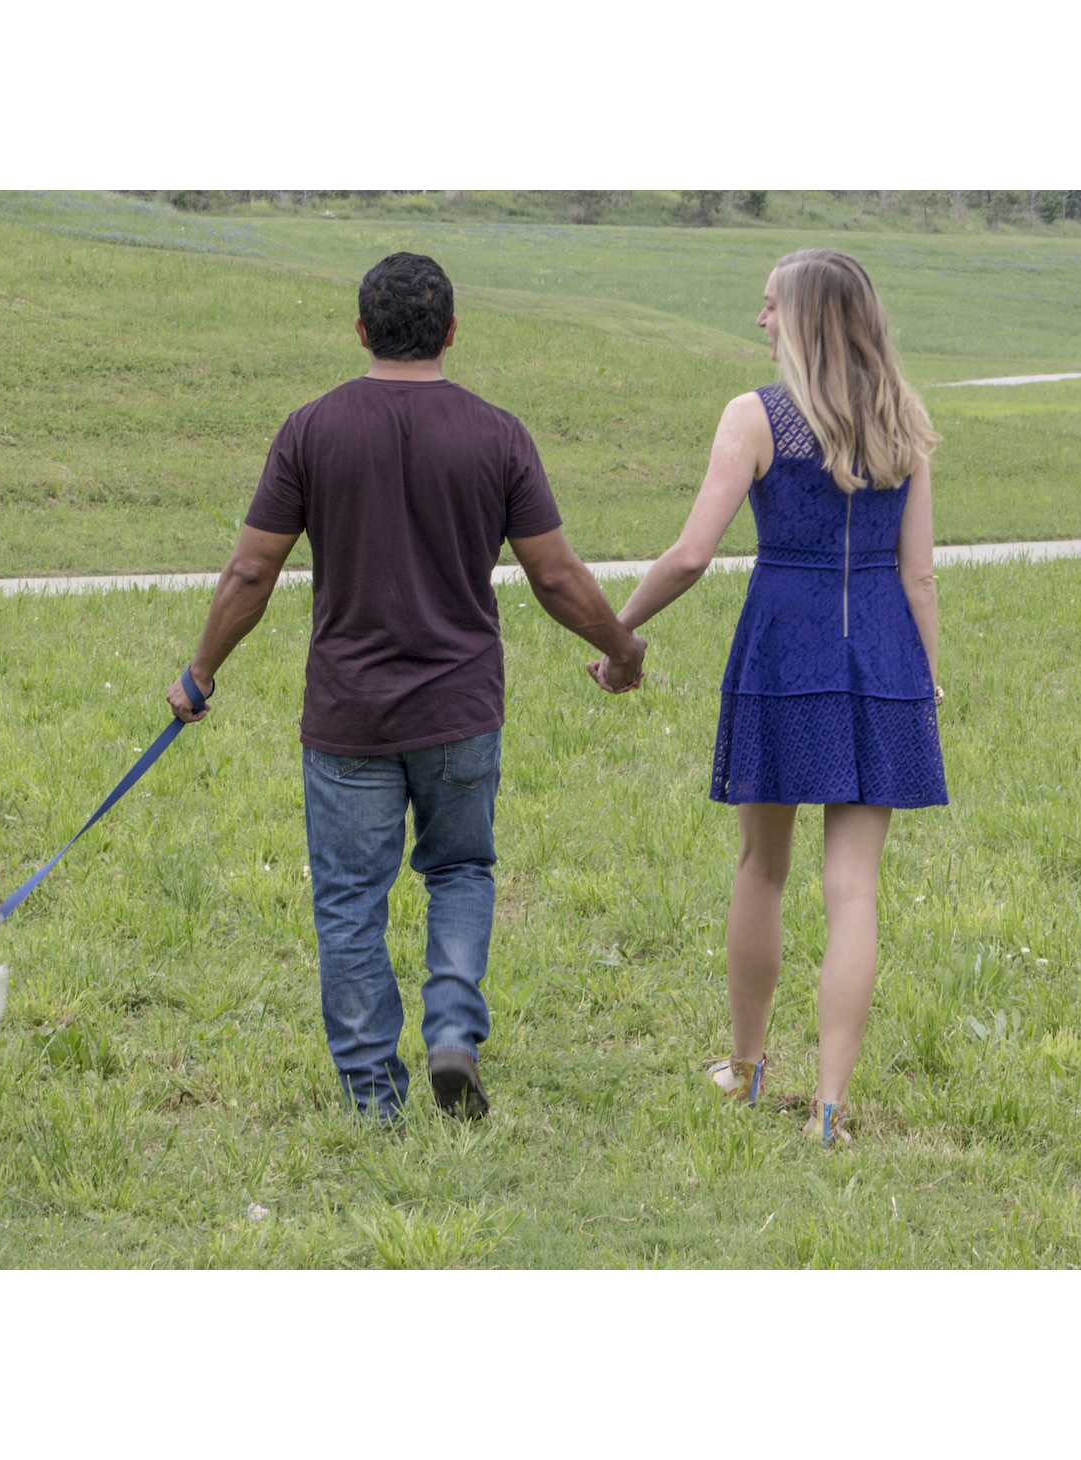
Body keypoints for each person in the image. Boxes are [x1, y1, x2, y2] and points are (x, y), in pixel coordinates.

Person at [167, 252, 646, 1123]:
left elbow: (250, 571)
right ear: (452, 332)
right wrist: (623, 649)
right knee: (459, 868)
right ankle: (454, 1032)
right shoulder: (498, 434)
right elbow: (555, 576)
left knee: (351, 898)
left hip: (348, 714)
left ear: (361, 332)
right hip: (460, 710)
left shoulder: (311, 429)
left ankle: (372, 1094)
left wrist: (201, 674)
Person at [590, 248, 946, 1147]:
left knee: (761, 867)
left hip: (784, 653)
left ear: (808, 318)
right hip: (882, 660)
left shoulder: (754, 417)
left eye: (771, 306)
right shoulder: (903, 418)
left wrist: (617, 632)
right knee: (853, 891)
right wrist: (923, 681)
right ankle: (828, 1109)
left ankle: (747, 1072)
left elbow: (689, 555)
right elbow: (919, 576)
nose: (760, 320)